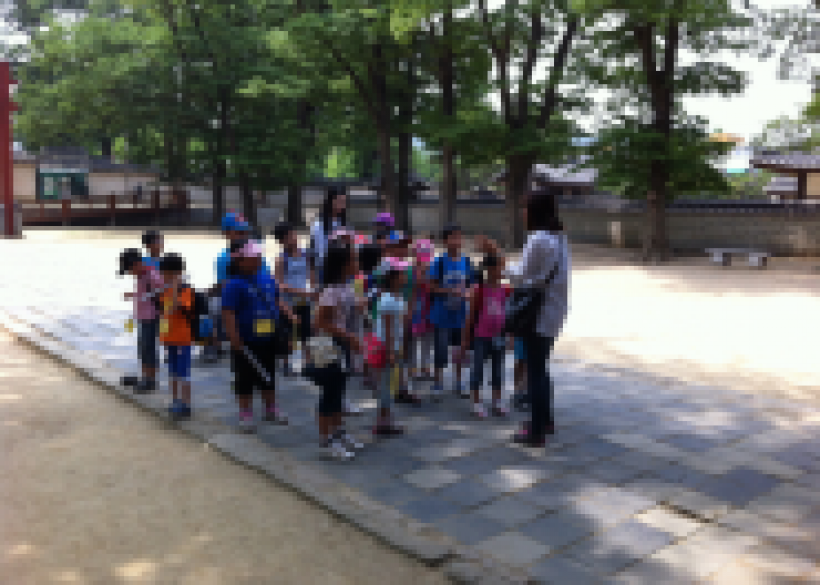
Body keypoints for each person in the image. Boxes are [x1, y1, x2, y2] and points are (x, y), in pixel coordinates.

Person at [477, 188, 571, 447]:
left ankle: (536, 431)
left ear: (535, 211)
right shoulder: (559, 237)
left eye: (525, 207)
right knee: (540, 366)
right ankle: (545, 420)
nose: (522, 212)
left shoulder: (538, 238)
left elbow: (520, 274)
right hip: (554, 308)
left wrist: (496, 254)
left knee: (535, 370)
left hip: (538, 311)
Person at [222, 238, 298, 432]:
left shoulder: (267, 278)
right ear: (240, 260)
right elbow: (228, 312)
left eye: (258, 255)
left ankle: (271, 408)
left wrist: (288, 319)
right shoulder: (233, 284)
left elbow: (276, 301)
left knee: (268, 373)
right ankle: (245, 413)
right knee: (244, 377)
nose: (258, 258)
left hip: (268, 336)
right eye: (253, 256)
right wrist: (234, 336)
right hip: (245, 339)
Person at [309, 240, 364, 460]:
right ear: (342, 264)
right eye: (353, 260)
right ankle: (326, 441)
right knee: (329, 393)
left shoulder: (346, 287)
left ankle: (338, 433)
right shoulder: (331, 291)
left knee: (339, 391)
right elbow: (320, 322)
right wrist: (348, 336)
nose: (357, 263)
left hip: (342, 345)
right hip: (330, 347)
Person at [206, 212, 270, 363]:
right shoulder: (223, 259)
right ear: (226, 234)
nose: (245, 236)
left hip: (257, 295)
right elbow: (225, 286)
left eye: (246, 232)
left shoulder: (256, 254)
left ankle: (268, 340)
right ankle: (214, 344)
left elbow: (266, 277)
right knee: (213, 306)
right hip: (236, 297)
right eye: (240, 232)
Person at [428, 224, 475, 401]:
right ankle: (438, 382)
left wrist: (469, 293)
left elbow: (472, 285)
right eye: (453, 237)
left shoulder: (467, 262)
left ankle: (459, 381)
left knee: (460, 349)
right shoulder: (439, 262)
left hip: (461, 315)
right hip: (442, 314)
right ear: (445, 241)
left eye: (459, 237)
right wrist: (450, 291)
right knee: (440, 349)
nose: (457, 241)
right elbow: (431, 287)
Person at [461, 254, 511, 418]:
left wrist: (510, 335)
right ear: (490, 269)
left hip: (499, 336)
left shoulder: (505, 289)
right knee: (477, 369)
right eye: (500, 267)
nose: (503, 270)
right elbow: (470, 316)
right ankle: (476, 402)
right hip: (481, 336)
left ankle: (497, 401)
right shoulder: (479, 290)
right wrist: (465, 339)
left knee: (498, 370)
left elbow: (508, 313)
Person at [370, 260, 410, 436]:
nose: (405, 276)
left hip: (394, 346)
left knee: (390, 384)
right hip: (387, 348)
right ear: (392, 277)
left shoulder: (397, 297)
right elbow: (387, 329)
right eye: (401, 273)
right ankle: (382, 422)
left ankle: (386, 419)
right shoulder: (388, 300)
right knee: (386, 385)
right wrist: (390, 352)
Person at [119, 248, 165, 393]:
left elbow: (163, 292)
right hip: (143, 317)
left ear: (137, 264)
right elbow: (146, 294)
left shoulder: (152, 275)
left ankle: (151, 380)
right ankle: (145, 376)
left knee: (149, 348)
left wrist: (164, 322)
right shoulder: (141, 276)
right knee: (143, 348)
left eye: (129, 270)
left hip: (152, 318)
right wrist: (133, 295)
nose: (130, 273)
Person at [273, 221, 316, 375]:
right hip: (288, 303)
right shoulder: (281, 260)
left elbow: (312, 278)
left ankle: (308, 364)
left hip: (304, 302)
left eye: (293, 234)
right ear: (282, 241)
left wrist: (312, 292)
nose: (294, 238)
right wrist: (302, 292)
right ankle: (287, 363)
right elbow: (279, 285)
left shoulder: (306, 255)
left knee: (306, 334)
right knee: (289, 335)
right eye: (289, 236)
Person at [157, 253, 195, 420]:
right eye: (162, 273)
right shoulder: (163, 291)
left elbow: (174, 308)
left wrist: (173, 286)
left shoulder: (185, 290)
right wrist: (162, 336)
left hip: (182, 339)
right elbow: (164, 314)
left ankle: (186, 404)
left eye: (165, 274)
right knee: (172, 371)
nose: (163, 277)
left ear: (176, 273)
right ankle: (174, 400)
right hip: (169, 339)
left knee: (183, 372)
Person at [309, 185, 348, 287]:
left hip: (342, 270)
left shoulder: (344, 224)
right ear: (330, 201)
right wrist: (312, 275)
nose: (341, 205)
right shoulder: (318, 225)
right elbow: (313, 251)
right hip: (324, 270)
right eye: (339, 201)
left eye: (343, 202)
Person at [410, 238, 434, 381]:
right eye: (420, 257)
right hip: (415, 308)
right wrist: (420, 274)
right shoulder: (409, 269)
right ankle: (413, 368)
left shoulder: (432, 269)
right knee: (413, 339)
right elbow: (413, 286)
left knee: (427, 339)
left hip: (427, 308)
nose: (423, 261)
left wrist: (426, 274)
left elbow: (431, 288)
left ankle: (425, 367)